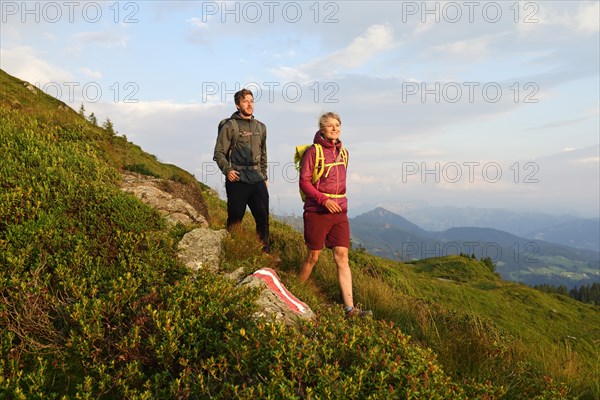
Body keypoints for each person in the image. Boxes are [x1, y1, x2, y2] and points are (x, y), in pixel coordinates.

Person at [298, 112, 371, 318]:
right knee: (313, 256)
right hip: (318, 211)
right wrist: (324, 200)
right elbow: (304, 182)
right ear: (321, 129)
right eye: (330, 126)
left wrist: (336, 203)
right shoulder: (314, 151)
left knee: (342, 256)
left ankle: (350, 309)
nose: (334, 129)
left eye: (337, 125)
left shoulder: (344, 153)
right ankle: (293, 293)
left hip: (340, 211)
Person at [213, 88, 270, 252]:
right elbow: (219, 153)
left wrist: (264, 177)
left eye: (251, 101)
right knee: (235, 218)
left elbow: (263, 153)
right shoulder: (230, 126)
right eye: (245, 101)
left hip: (257, 178)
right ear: (237, 105)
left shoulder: (261, 127)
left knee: (263, 217)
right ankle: (232, 250)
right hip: (237, 178)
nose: (250, 104)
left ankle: (264, 252)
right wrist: (227, 170)